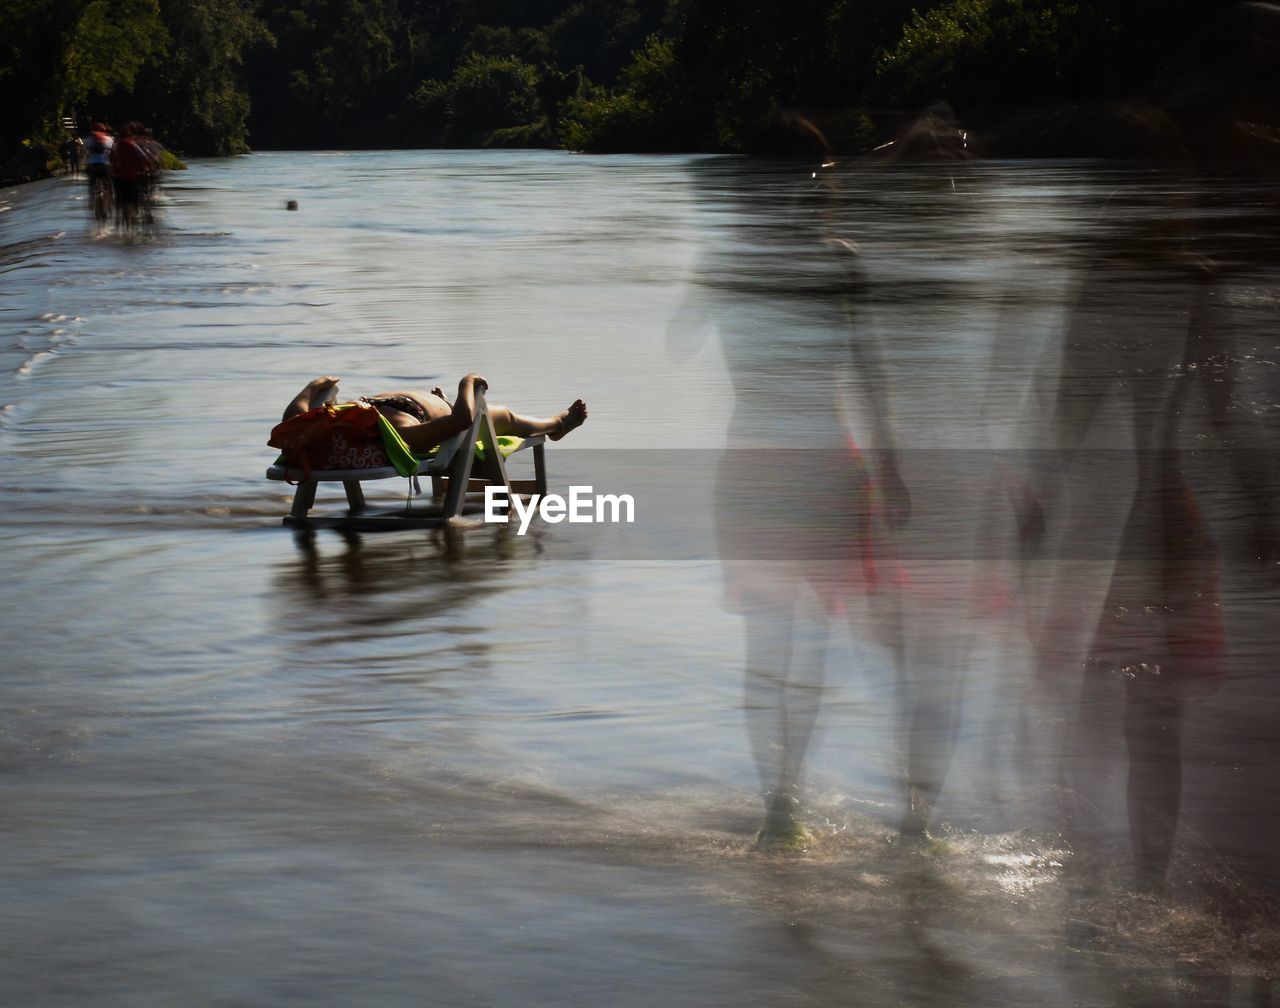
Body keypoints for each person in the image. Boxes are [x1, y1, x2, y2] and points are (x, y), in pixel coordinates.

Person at [282, 374, 587, 453]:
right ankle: (556, 425)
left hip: (428, 407)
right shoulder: (398, 434)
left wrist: (313, 387)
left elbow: (293, 424)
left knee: (497, 414)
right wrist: (467, 385)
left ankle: (555, 424)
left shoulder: (350, 418)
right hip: (453, 419)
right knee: (504, 417)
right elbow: (461, 421)